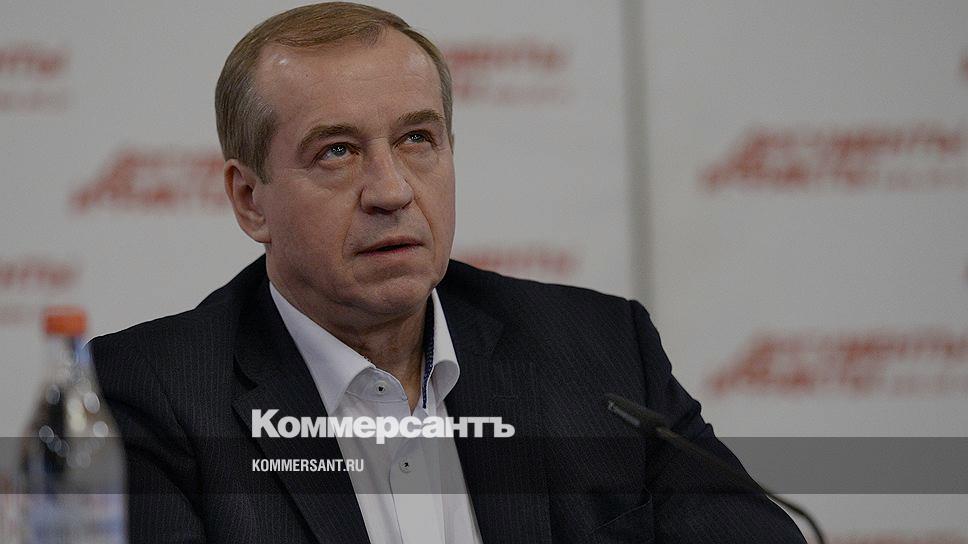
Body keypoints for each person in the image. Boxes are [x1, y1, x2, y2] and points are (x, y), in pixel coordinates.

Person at [90, 3, 807, 543]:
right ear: (251, 200)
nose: (391, 190)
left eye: (417, 138)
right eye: (337, 151)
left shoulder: (600, 350)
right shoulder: (147, 397)